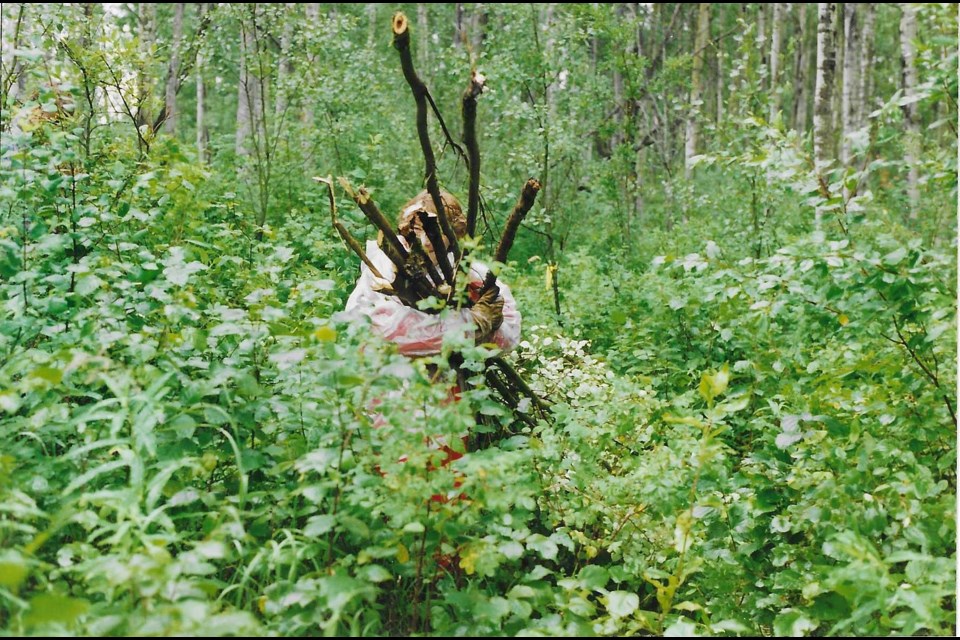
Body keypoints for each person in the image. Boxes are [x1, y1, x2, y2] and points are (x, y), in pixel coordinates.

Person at [344, 189, 521, 358]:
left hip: (454, 382)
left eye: (437, 231)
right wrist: (468, 325)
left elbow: (509, 335)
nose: (426, 241)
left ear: (454, 234)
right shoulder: (384, 267)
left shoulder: (474, 274)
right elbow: (372, 328)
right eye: (418, 230)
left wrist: (488, 325)